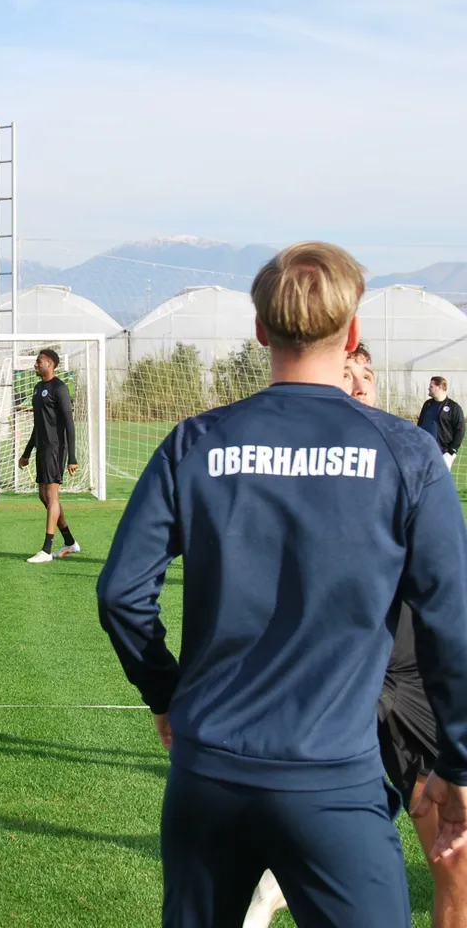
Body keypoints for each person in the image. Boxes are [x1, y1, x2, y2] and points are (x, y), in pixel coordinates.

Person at [97, 242, 467, 928]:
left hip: (207, 777)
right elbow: (451, 624)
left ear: (261, 330)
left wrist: (164, 693)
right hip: (333, 783)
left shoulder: (195, 443)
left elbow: (121, 593)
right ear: (352, 333)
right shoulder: (406, 456)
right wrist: (460, 761)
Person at [246, 342, 467, 928]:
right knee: (454, 861)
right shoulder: (360, 469)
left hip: (365, 682)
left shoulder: (400, 456)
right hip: (386, 682)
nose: (362, 383)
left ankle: (278, 880)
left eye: (367, 373)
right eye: (348, 374)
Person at [17, 348, 80, 564]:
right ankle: (70, 541)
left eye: (39, 361)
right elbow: (38, 425)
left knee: (52, 496)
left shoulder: (59, 388)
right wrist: (26, 453)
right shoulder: (37, 388)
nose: (35, 364)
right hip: (42, 448)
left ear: (50, 364)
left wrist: (72, 458)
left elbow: (69, 425)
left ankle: (46, 550)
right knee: (43, 497)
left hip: (56, 448)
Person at [418, 377, 465, 472]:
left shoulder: (454, 408)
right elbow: (420, 424)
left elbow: (460, 430)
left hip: (444, 452)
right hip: (425, 451)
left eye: (431, 386)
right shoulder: (428, 404)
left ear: (439, 387)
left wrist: (451, 451)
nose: (428, 388)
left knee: (440, 482)